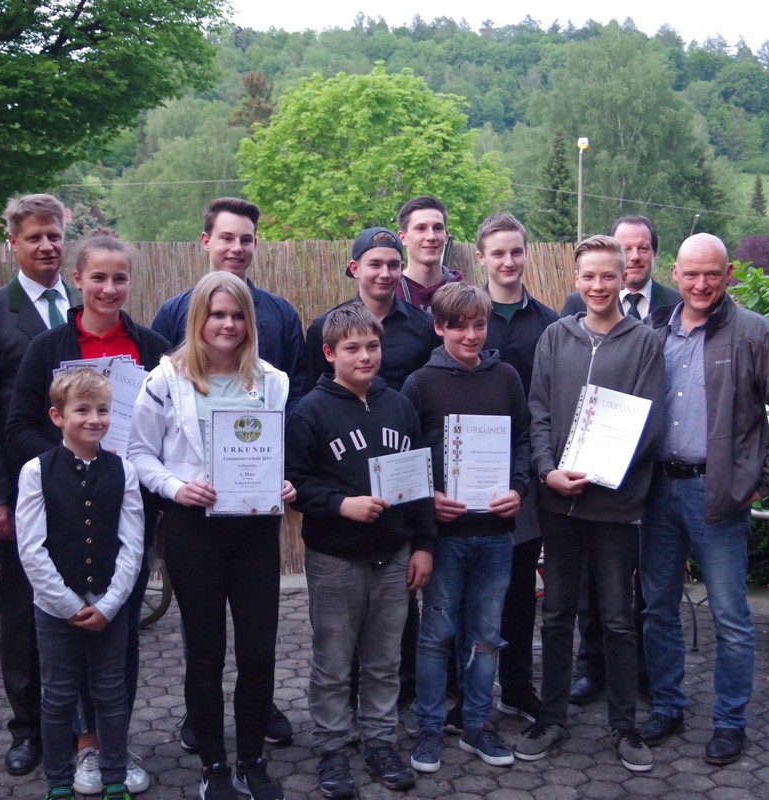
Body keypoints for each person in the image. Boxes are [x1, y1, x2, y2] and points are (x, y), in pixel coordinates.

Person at [6, 230, 168, 794]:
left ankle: (115, 749)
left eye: (119, 278)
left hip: (129, 506)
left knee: (120, 634)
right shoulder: (47, 348)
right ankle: (84, 749)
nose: (108, 288)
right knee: (68, 635)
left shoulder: (152, 348)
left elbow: (169, 429)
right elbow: (18, 425)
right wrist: (70, 468)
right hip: (63, 514)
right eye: (98, 277)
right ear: (77, 280)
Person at [638, 233, 769, 766]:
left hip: (718, 494)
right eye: (691, 274)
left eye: (712, 273)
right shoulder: (652, 331)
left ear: (728, 274)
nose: (701, 284)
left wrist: (764, 480)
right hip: (656, 491)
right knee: (658, 609)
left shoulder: (757, 333)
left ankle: (730, 722)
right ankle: (668, 706)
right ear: (675, 273)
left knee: (731, 617)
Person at [127, 271, 293, 800]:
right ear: (199, 318)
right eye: (217, 314)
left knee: (258, 652)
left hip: (255, 532)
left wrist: (283, 482)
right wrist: (177, 488)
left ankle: (252, 760)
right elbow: (138, 454)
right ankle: (214, 765)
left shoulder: (272, 381)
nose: (228, 324)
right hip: (193, 531)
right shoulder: (164, 381)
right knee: (205, 654)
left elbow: (275, 451)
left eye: (238, 315)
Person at [516, 235, 666, 773]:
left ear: (624, 278)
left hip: (615, 507)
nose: (598, 286)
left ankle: (624, 726)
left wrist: (603, 474)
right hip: (558, 503)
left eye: (608, 276)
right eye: (589, 276)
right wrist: (548, 471)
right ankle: (551, 717)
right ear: (575, 280)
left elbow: (649, 422)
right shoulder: (556, 337)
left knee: (619, 619)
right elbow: (538, 413)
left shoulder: (644, 343)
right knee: (557, 614)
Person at [286, 302, 434, 798]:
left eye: (372, 346)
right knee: (333, 662)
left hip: (394, 555)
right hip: (335, 558)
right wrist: (340, 504)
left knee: (384, 660)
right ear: (330, 353)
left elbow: (419, 479)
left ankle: (380, 741)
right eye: (352, 349)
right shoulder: (310, 411)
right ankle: (331, 748)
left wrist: (423, 544)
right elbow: (295, 481)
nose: (365, 356)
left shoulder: (399, 405)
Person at [0, 193, 77, 776]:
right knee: (24, 608)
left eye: (54, 235)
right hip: (22, 494)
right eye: (34, 237)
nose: (47, 246)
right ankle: (27, 728)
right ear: (13, 243)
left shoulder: (83, 307)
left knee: (81, 602)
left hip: (83, 490)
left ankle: (80, 724)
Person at [402, 283, 530, 774]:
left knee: (486, 635)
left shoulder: (506, 378)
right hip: (445, 537)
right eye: (459, 327)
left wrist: (519, 486)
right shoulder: (420, 383)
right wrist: (427, 497)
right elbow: (405, 452)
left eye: (479, 325)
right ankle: (430, 728)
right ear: (439, 327)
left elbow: (523, 439)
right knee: (436, 634)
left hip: (496, 531)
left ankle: (477, 724)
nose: (472, 335)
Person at [559, 214, 677, 706]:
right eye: (625, 248)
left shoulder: (673, 303)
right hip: (581, 478)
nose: (633, 257)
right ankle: (592, 669)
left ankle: (642, 674)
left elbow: (655, 404)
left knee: (645, 585)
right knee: (593, 587)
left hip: (641, 473)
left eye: (641, 248)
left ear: (652, 253)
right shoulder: (573, 312)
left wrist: (620, 463)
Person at [15, 369, 144, 800]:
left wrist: (110, 604)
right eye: (82, 410)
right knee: (58, 696)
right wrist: (67, 604)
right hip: (55, 609)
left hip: (109, 604)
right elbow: (31, 548)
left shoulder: (124, 470)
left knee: (111, 692)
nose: (94, 419)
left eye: (102, 410)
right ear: (58, 416)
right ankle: (58, 782)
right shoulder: (36, 471)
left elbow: (132, 545)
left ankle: (114, 777)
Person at [475, 214, 557, 725]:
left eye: (516, 252)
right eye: (498, 253)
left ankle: (518, 684)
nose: (508, 261)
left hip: (523, 473)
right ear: (480, 257)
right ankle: (466, 689)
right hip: (466, 473)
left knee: (522, 585)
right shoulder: (465, 316)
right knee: (467, 584)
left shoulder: (549, 323)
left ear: (527, 254)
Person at [151, 197, 307, 412]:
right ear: (206, 241)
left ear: (255, 244)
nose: (237, 248)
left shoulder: (282, 315)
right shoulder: (173, 313)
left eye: (245, 240)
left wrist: (277, 430)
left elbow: (297, 390)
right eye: (227, 238)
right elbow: (158, 394)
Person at [394, 196, 463, 311]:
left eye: (437, 228)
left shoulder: (464, 296)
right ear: (402, 238)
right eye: (421, 228)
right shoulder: (389, 294)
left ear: (446, 236)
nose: (431, 237)